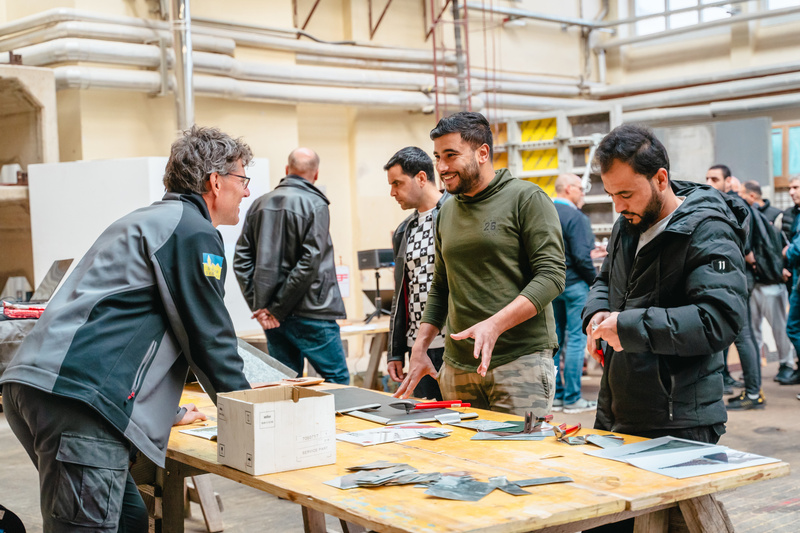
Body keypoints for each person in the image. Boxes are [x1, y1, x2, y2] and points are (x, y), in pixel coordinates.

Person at [0, 126, 253, 533]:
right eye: (242, 179)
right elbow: (208, 336)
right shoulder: (192, 230)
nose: (246, 191)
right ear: (216, 181)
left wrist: (168, 410)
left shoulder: (148, 220)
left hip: (41, 388)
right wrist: (252, 413)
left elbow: (122, 323)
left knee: (128, 519)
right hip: (80, 403)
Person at [585, 124, 748, 446]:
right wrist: (597, 311)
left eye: (626, 194)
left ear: (661, 179)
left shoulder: (709, 231)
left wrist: (628, 327)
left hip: (679, 418)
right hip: (617, 407)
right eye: (611, 195)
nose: (618, 206)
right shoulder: (627, 223)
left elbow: (718, 320)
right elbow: (605, 279)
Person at [394, 111, 565, 417]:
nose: (441, 167)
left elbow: (552, 276)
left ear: (482, 153)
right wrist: (420, 347)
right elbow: (441, 286)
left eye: (451, 155)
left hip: (519, 361)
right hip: (458, 367)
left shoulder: (526, 198)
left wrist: (494, 325)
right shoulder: (446, 212)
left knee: (518, 449)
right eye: (437, 157)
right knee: (463, 449)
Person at [234, 148, 350, 385]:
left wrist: (262, 307)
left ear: (287, 170)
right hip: (313, 311)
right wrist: (275, 309)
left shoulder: (258, 204)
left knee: (286, 385)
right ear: (316, 174)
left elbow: (241, 259)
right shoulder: (316, 204)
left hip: (273, 318)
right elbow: (310, 262)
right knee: (337, 380)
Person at [384, 146, 449, 400]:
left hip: (452, 343)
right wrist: (395, 351)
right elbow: (401, 294)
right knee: (426, 418)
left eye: (397, 183)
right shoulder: (403, 231)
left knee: (463, 416)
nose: (392, 192)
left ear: (421, 178)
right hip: (417, 348)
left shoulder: (454, 214)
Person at [706, 165, 765, 409]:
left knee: (743, 336)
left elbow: (743, 246)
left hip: (736, 278)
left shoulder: (733, 204)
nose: (709, 183)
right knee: (739, 334)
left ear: (728, 181)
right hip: (733, 276)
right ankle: (750, 390)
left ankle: (753, 393)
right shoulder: (727, 203)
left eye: (715, 179)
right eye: (707, 178)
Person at [738, 180, 796, 382]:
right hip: (753, 283)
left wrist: (783, 269)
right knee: (753, 331)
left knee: (780, 327)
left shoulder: (778, 215)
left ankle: (786, 364)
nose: (738, 197)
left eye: (741, 193)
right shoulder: (745, 214)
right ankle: (754, 369)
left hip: (773, 281)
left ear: (752, 195)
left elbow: (785, 245)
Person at [551, 174, 597, 413]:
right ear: (568, 189)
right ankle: (572, 399)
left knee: (554, 342)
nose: (583, 194)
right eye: (580, 188)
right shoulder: (576, 217)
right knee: (576, 341)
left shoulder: (545, 212)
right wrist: (595, 282)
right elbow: (581, 256)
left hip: (550, 286)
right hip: (575, 285)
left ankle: (556, 396)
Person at [778, 176, 800, 385]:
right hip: (795, 276)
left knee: (793, 327)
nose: (791, 192)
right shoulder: (793, 214)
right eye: (790, 188)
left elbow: (796, 248)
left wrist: (788, 251)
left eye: (796, 187)